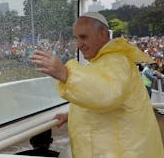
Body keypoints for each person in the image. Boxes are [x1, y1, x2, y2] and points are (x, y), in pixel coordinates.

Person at [30, 12, 164, 158]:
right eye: (77, 38)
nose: (79, 44)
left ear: (103, 34)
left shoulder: (116, 60)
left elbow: (107, 94)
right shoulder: (105, 60)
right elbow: (102, 96)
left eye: (84, 37)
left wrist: (66, 74)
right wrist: (73, 114)